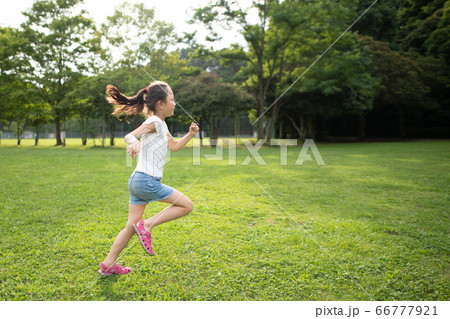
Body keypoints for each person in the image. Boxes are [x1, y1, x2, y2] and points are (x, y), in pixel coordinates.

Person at [98, 81, 199, 276]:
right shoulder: (153, 122)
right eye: (172, 99)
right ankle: (147, 225)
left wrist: (190, 134)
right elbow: (130, 135)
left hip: (137, 182)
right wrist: (134, 142)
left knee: (130, 227)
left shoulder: (161, 124)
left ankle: (108, 264)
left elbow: (174, 146)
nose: (175, 103)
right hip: (147, 181)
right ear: (161, 103)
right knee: (186, 206)